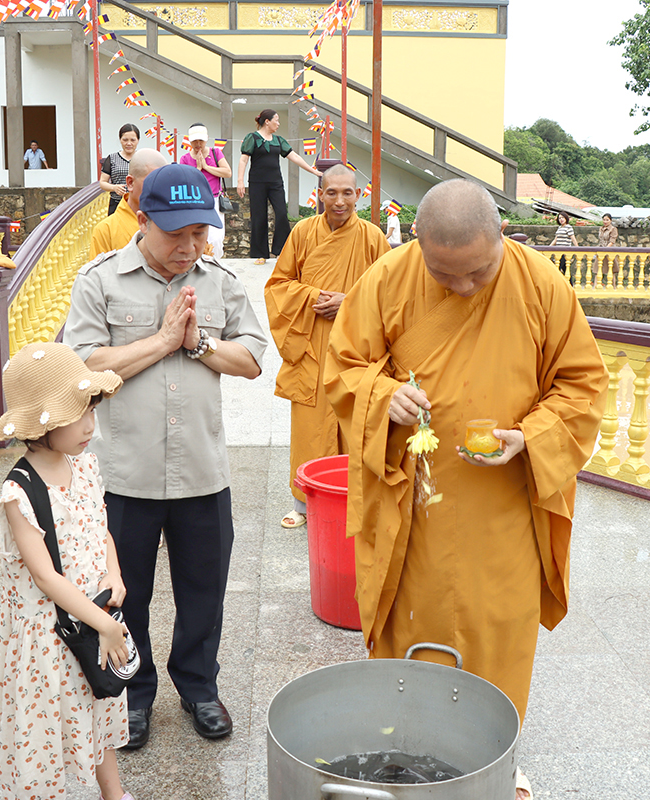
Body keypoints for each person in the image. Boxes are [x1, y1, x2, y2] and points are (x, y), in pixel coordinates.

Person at [324, 180, 605, 782]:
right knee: (412, 633)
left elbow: (581, 385)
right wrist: (384, 396)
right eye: (444, 275)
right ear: (417, 241)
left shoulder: (542, 285)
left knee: (496, 636)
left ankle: (495, 757)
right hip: (413, 507)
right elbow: (342, 368)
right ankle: (404, 754)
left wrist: (529, 437)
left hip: (503, 509)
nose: (465, 288)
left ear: (502, 234)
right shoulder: (386, 279)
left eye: (479, 272)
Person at [64, 163, 269, 750]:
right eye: (176, 233)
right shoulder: (100, 280)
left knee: (205, 590)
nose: (189, 246)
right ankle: (133, 693)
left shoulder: (220, 282)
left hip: (202, 471)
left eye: (199, 233)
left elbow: (252, 359)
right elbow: (82, 364)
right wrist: (160, 342)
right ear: (142, 218)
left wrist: (198, 342)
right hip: (125, 473)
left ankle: (199, 687)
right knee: (125, 592)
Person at [0, 342, 133, 800]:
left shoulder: (83, 464)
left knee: (98, 704)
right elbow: (45, 577)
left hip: (92, 617)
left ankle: (114, 794)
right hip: (49, 635)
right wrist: (104, 623)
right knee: (44, 732)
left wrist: (114, 574)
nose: (90, 425)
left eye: (92, 410)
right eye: (77, 414)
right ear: (41, 423)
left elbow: (100, 529)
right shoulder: (19, 492)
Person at [264, 163, 390, 528]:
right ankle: (303, 503)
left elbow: (391, 295)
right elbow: (277, 286)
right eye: (331, 192)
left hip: (356, 349)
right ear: (319, 195)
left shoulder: (372, 238)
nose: (339, 201)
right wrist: (314, 297)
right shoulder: (303, 233)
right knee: (311, 427)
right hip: (311, 344)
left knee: (356, 424)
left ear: (358, 196)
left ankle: (358, 501)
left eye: (347, 193)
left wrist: (348, 302)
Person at [237, 109, 322, 264]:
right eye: (276, 120)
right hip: (257, 183)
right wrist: (240, 181)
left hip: (275, 183)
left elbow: (294, 156)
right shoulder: (252, 138)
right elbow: (243, 160)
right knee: (259, 217)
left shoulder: (278, 140)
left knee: (282, 214)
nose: (278, 123)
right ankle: (260, 254)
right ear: (267, 121)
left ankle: (281, 250)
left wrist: (313, 171)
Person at [90, 148, 167, 259]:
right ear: (130, 183)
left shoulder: (174, 224)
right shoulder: (106, 230)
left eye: (163, 183)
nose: (158, 189)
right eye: (152, 182)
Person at [179, 124, 231, 259]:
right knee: (195, 237)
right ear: (189, 141)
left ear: (206, 139)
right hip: (194, 202)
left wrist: (206, 167)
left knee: (216, 238)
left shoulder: (215, 153)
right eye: (195, 141)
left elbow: (227, 172)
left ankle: (215, 263)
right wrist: (198, 169)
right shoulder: (185, 159)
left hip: (214, 200)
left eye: (201, 140)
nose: (198, 144)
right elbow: (183, 181)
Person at [100, 123, 139, 215]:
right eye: (125, 140)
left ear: (138, 140)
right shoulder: (112, 158)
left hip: (137, 203)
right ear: (120, 140)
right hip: (116, 204)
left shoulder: (142, 157)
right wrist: (114, 188)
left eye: (133, 140)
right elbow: (102, 182)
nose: (129, 143)